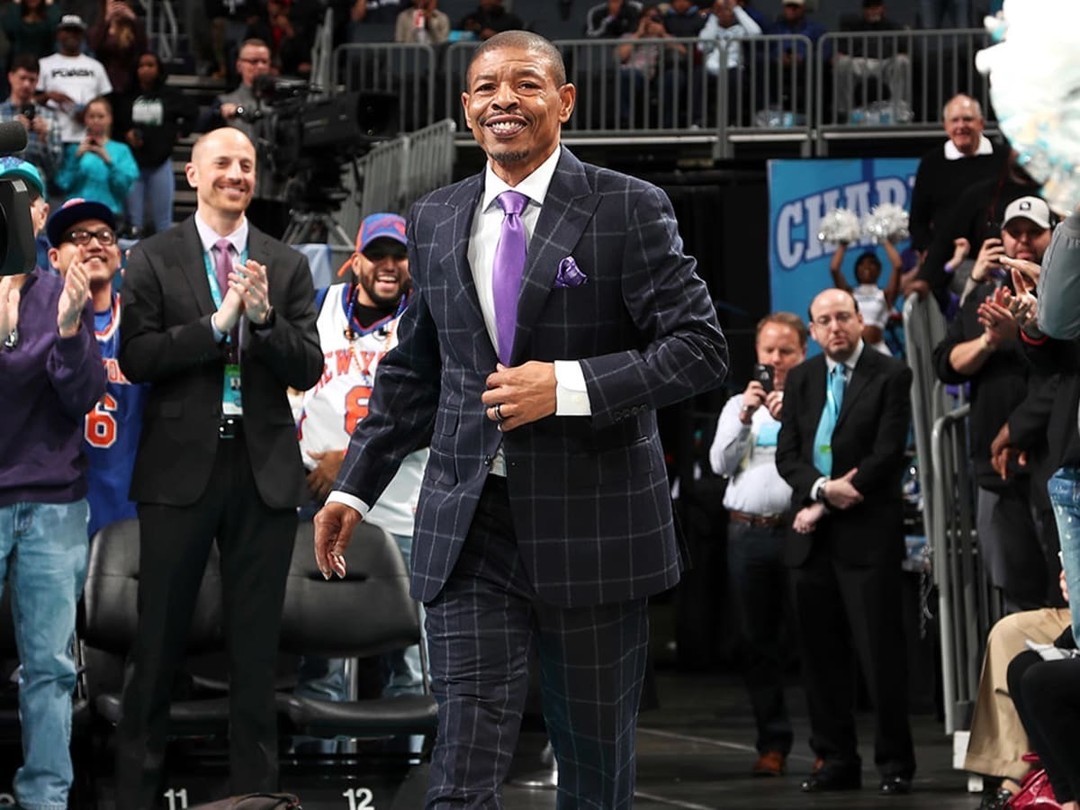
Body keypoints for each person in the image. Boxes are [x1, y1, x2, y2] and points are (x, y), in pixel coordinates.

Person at [313, 30, 727, 807]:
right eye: (486, 86)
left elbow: (701, 351)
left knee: (595, 773)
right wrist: (352, 491)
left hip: (595, 525)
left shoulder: (629, 207)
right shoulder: (433, 217)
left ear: (564, 101)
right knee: (462, 763)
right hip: (473, 523)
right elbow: (413, 373)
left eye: (526, 83)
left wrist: (565, 385)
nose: (504, 98)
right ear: (467, 109)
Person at [113, 126, 322, 808]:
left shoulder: (285, 264)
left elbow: (309, 366)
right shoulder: (151, 256)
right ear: (193, 175)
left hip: (261, 472)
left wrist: (261, 320)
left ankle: (255, 799)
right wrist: (215, 325)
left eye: (247, 164)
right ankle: (136, 795)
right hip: (178, 474)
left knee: (257, 655)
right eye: (223, 163)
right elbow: (138, 358)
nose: (236, 173)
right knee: (157, 647)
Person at [776, 288, 916, 795]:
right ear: (812, 332)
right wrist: (819, 490)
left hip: (867, 537)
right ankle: (834, 759)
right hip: (812, 541)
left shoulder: (891, 374)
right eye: (823, 321)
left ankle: (895, 762)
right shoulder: (802, 379)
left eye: (842, 317)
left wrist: (832, 498)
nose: (834, 327)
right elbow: (787, 455)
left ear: (859, 320)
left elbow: (886, 454)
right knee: (820, 658)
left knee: (880, 658)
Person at [294, 212, 428, 736]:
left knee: (411, 667)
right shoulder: (319, 309)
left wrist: (349, 460)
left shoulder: (427, 318)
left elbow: (434, 412)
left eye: (399, 256)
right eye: (379, 255)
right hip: (322, 508)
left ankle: (410, 787)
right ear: (357, 259)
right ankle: (322, 787)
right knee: (321, 664)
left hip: (403, 511)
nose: (389, 266)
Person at [0, 159, 105, 810]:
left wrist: (68, 330)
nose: (18, 209)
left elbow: (84, 397)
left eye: (29, 201)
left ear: (42, 217)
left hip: (53, 501)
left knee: (50, 668)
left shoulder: (62, 291)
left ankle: (45, 799)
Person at [933, 197, 1054, 613]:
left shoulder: (1064, 293)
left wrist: (1022, 336)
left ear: (1052, 236)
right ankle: (1024, 678)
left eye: (1033, 232)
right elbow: (946, 365)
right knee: (1015, 595)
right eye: (1013, 232)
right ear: (1000, 236)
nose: (1022, 241)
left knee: (1064, 589)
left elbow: (1060, 373)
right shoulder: (986, 291)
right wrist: (989, 341)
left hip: (1054, 462)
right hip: (994, 467)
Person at [708, 312, 806, 777]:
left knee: (813, 640)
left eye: (786, 350)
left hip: (800, 532)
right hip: (747, 534)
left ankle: (829, 745)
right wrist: (747, 416)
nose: (776, 359)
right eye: (769, 350)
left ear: (803, 353)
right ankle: (773, 744)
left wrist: (794, 420)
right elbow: (720, 465)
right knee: (757, 644)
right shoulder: (735, 405)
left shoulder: (813, 400)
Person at [47, 197, 146, 539]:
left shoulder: (145, 325)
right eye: (77, 237)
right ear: (54, 258)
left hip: (131, 501)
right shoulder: (36, 324)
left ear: (119, 255)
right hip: (55, 505)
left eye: (105, 236)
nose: (93, 244)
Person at [908, 95, 1009, 258]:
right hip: (945, 263)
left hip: (998, 258)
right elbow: (918, 220)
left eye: (968, 119)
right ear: (945, 126)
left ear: (981, 123)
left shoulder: (1004, 158)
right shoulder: (931, 163)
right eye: (954, 120)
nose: (961, 126)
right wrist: (931, 255)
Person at [113, 51, 196, 238]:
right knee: (134, 224)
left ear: (159, 69)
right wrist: (126, 135)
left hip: (160, 162)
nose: (145, 70)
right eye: (141, 66)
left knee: (163, 223)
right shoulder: (126, 97)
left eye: (150, 65)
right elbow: (115, 125)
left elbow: (192, 113)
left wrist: (180, 132)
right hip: (133, 164)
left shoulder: (171, 95)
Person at [55, 95, 139, 221]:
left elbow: (124, 188)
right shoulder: (74, 150)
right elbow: (63, 184)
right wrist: (76, 159)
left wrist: (109, 161)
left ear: (110, 119)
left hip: (109, 212)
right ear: (85, 119)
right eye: (91, 116)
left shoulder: (122, 150)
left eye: (100, 116)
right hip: (77, 212)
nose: (96, 120)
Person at [35, 15, 113, 147]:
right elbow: (31, 101)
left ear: (82, 35)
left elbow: (107, 103)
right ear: (59, 34)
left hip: (89, 138)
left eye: (76, 31)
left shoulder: (95, 66)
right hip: (53, 137)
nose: (72, 34)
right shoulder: (44, 64)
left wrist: (88, 113)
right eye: (67, 30)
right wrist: (48, 96)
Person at [833, 0, 910, 122]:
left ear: (883, 8)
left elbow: (903, 50)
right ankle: (845, 112)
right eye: (869, 8)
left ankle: (900, 112)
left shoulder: (894, 27)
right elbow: (842, 51)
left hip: (885, 63)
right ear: (863, 10)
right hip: (861, 63)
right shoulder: (854, 27)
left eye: (876, 7)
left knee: (902, 61)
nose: (872, 11)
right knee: (842, 63)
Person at [828, 234, 903, 355]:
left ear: (879, 269)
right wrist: (844, 242)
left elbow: (898, 265)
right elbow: (834, 268)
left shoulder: (885, 295)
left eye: (871, 263)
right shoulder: (849, 294)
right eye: (862, 264)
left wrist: (883, 239)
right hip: (854, 353)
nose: (866, 267)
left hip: (878, 352)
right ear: (856, 269)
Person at [0, 54, 63, 183]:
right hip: (3, 179)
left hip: (36, 182)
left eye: (32, 80)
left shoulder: (49, 117)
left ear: (37, 81)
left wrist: (44, 139)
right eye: (22, 78)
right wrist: (11, 134)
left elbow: (55, 171)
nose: (26, 84)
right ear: (10, 77)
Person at [457, 0, 523, 42]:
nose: (487, 1)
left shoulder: (512, 20)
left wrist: (496, 36)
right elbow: (455, 35)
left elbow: (520, 40)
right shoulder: (471, 18)